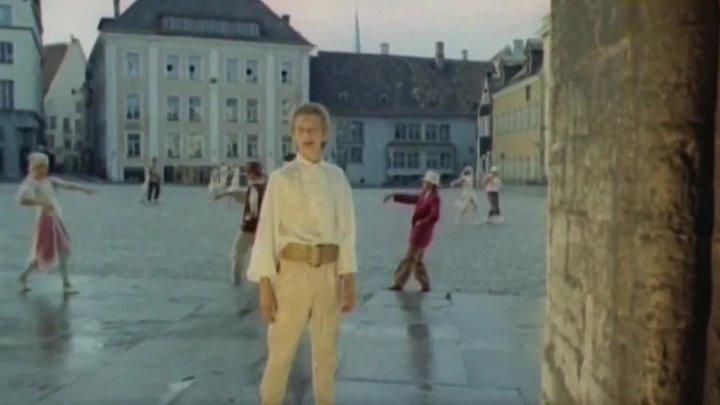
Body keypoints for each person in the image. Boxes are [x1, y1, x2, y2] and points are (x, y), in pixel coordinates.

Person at [248, 102, 356, 405]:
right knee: (281, 352)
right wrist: (265, 287)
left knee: (327, 354)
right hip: (292, 273)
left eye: (313, 130)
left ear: (324, 134)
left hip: (328, 274)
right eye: (301, 130)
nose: (307, 135)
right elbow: (266, 233)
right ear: (294, 135)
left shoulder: (337, 178)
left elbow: (347, 231)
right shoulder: (281, 179)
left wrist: (348, 279)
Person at [16, 152, 96, 294]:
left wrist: (83, 189)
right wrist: (41, 202)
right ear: (34, 168)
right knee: (48, 251)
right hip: (45, 220)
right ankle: (64, 283)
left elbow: (67, 185)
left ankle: (27, 276)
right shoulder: (31, 183)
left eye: (45, 166)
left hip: (55, 219)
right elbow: (22, 200)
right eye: (41, 167)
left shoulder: (49, 181)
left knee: (60, 250)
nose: (44, 169)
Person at [383, 170, 441, 292]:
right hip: (418, 232)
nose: (423, 184)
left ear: (431, 184)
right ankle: (425, 285)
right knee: (417, 260)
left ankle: (399, 283)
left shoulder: (434, 198)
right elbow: (411, 199)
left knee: (409, 258)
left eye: (425, 182)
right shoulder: (425, 194)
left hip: (422, 234)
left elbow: (435, 216)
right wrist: (394, 195)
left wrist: (422, 222)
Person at [214, 161, 267, 284]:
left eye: (248, 173)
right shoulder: (264, 187)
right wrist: (227, 194)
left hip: (249, 229)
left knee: (237, 253)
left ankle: (237, 282)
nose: (246, 175)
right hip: (262, 231)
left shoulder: (255, 188)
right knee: (260, 259)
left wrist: (226, 194)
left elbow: (251, 204)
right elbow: (245, 196)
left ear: (251, 174)